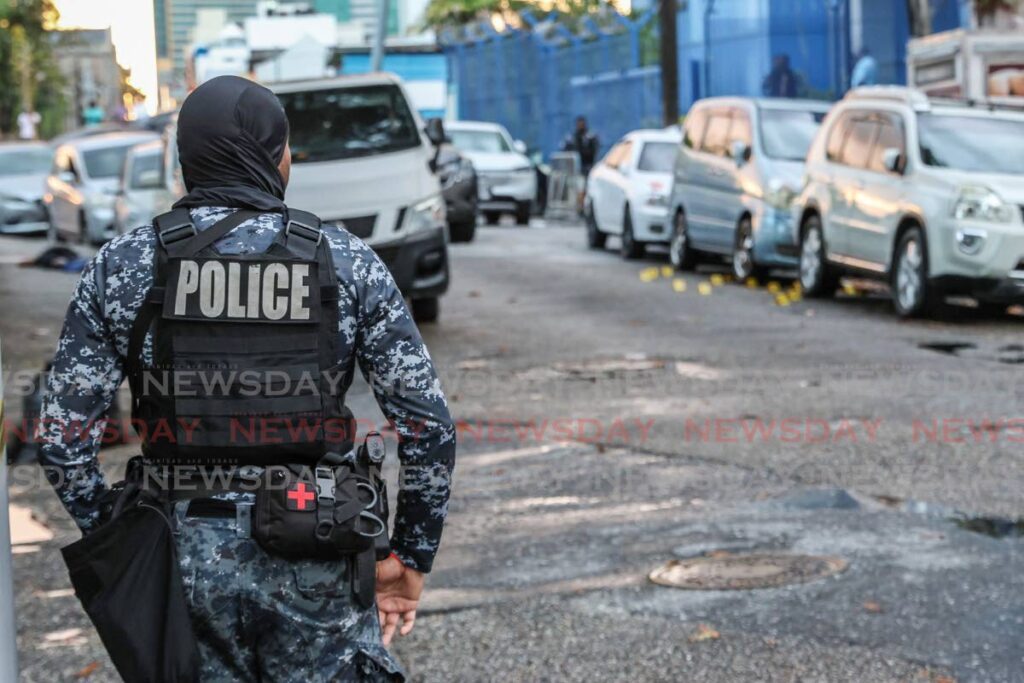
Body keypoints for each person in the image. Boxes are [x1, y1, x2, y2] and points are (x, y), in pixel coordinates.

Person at [38, 75, 456, 680]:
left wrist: (125, 541)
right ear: (275, 156)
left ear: (186, 161)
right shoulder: (345, 259)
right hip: (318, 544)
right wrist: (409, 557)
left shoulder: (123, 266)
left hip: (179, 560)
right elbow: (429, 428)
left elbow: (62, 440)